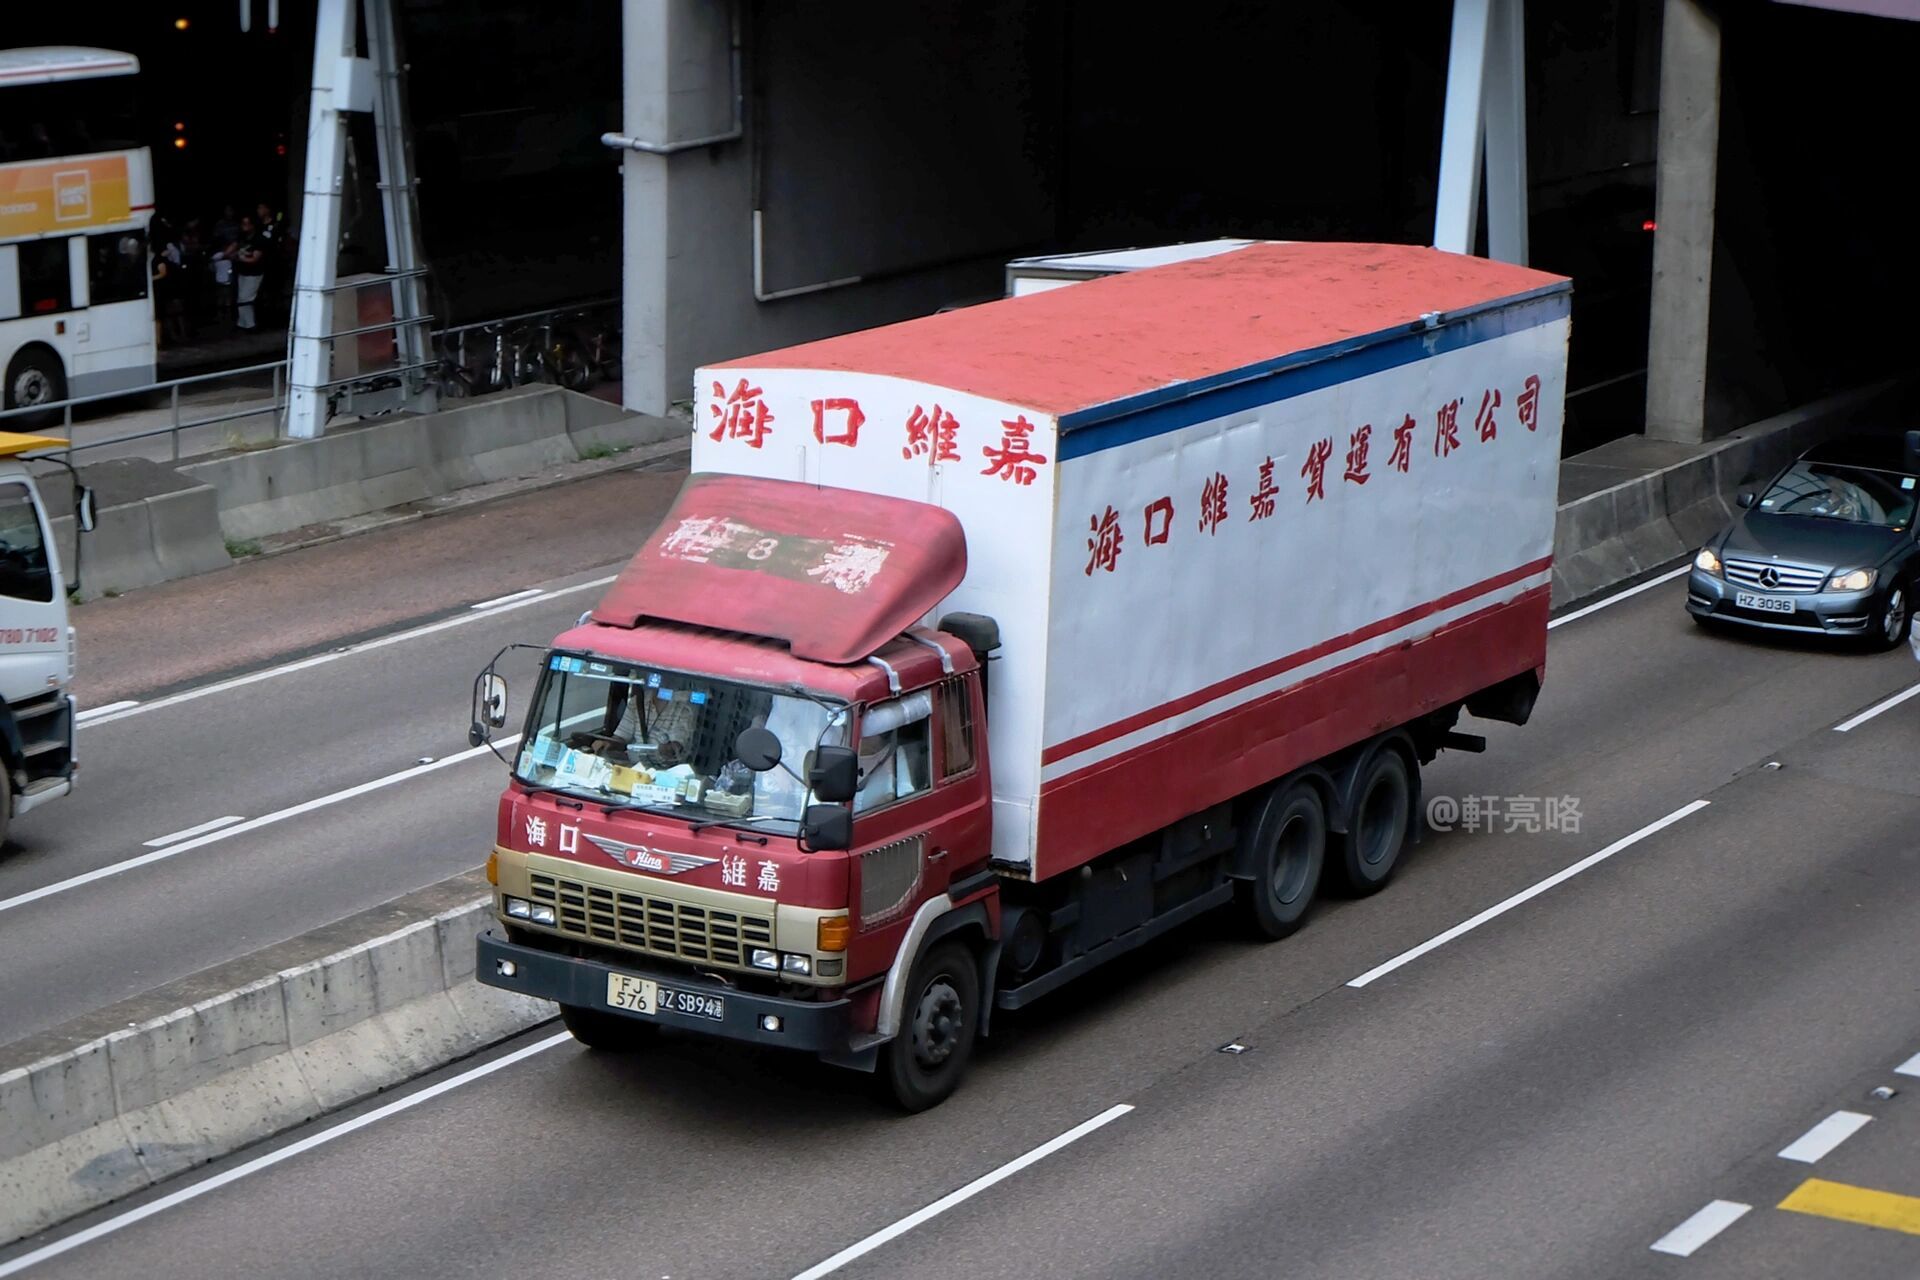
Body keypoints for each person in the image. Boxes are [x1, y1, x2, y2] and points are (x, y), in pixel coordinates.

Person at [233, 215, 268, 331]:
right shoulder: (242, 237)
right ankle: (242, 323)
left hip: (254, 273)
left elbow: (255, 259)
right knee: (240, 298)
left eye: (247, 223)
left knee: (246, 298)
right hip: (242, 272)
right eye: (243, 223)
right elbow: (233, 248)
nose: (244, 226)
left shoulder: (259, 239)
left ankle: (250, 325)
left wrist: (240, 258)